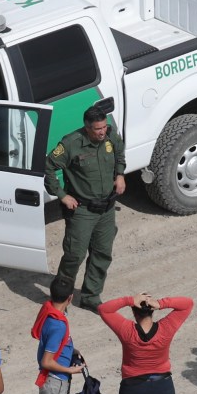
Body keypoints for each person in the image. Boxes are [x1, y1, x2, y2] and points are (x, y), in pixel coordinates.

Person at [44, 106, 127, 311]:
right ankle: (61, 300)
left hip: (106, 208)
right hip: (82, 210)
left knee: (102, 253)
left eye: (104, 127)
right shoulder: (71, 144)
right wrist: (62, 196)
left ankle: (91, 296)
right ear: (87, 128)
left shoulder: (110, 137)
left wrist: (120, 174)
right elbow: (48, 167)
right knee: (74, 256)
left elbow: (119, 153)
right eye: (98, 129)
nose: (102, 132)